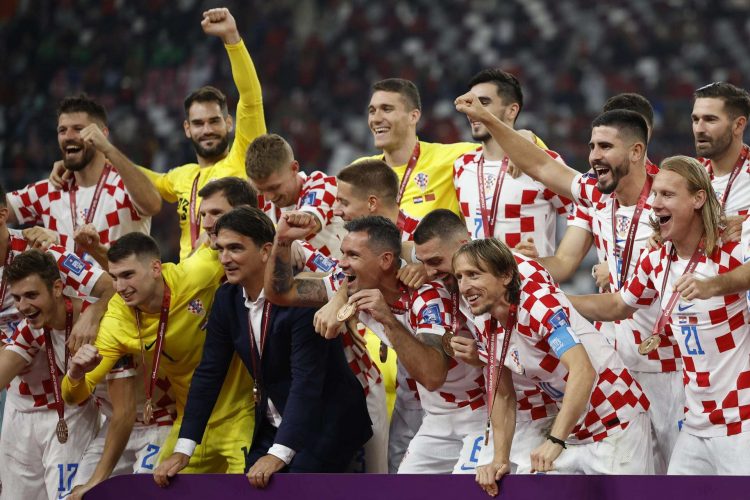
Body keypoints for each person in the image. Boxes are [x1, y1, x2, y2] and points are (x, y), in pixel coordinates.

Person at [456, 93, 683, 472]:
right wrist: (496, 124)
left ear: (636, 151)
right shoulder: (596, 196)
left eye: (605, 146)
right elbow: (544, 172)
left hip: (672, 362)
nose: (593, 155)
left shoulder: (667, 202)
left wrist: (542, 304)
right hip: (619, 358)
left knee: (679, 479)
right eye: (592, 146)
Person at [154, 207, 371, 487]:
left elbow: (307, 383)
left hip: (326, 421)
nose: (225, 259)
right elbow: (209, 373)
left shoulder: (302, 298)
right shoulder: (227, 298)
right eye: (220, 249)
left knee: (288, 488)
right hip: (277, 419)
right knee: (250, 487)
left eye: (235, 248)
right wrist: (184, 450)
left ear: (266, 251)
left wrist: (278, 455)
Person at [568, 156, 750, 475]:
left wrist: (715, 285)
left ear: (698, 198)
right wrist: (560, 300)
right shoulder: (655, 260)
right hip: (695, 425)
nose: (654, 203)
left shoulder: (730, 249)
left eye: (666, 195)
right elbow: (618, 306)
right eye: (655, 195)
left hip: (741, 422)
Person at [265, 215, 485, 474]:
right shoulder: (350, 282)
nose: (343, 262)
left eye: (353, 255)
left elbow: (433, 375)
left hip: (478, 411)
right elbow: (280, 293)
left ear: (385, 261)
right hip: (434, 415)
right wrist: (282, 241)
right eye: (343, 254)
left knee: (473, 489)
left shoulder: (428, 295)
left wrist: (387, 319)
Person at [452, 239, 651, 497]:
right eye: (459, 277)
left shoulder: (538, 305)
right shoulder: (484, 322)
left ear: (505, 276)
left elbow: (582, 369)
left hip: (616, 422)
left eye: (473, 275)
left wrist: (554, 440)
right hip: (573, 431)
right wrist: (500, 458)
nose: (464, 286)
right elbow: (502, 394)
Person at [60, 233, 225, 487]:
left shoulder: (195, 273)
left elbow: (241, 239)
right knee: (160, 485)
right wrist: (75, 374)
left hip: (240, 402)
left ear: (155, 268)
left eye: (128, 275)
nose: (119, 287)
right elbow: (75, 396)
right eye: (114, 277)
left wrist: (216, 230)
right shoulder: (117, 320)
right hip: (192, 415)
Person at [411, 209, 559, 475]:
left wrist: (557, 433)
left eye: (435, 261)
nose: (429, 272)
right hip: (505, 408)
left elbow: (538, 345)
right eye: (422, 262)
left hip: (543, 406)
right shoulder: (461, 283)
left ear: (462, 246)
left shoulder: (520, 273)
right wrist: (482, 357)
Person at [137, 8, 266, 260]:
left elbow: (251, 98)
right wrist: (102, 155)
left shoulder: (243, 158)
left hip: (230, 277)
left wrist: (232, 38)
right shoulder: (182, 177)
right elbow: (149, 180)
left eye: (214, 121)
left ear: (229, 123)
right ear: (187, 129)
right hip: (191, 287)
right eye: (198, 123)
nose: (207, 130)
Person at [7, 94, 161, 267]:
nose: (68, 136)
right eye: (62, 130)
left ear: (102, 134)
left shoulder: (124, 185)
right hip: (66, 293)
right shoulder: (51, 188)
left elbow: (153, 205)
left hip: (121, 292)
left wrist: (108, 148)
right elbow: (4, 209)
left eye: (78, 129)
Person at [0, 250, 101, 499]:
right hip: (31, 415)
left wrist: (96, 313)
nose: (23, 307)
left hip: (96, 416)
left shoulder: (97, 320)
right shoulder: (31, 327)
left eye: (32, 295)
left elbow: (111, 287)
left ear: (57, 288)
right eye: (17, 298)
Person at [453, 68, 572, 255]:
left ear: (511, 110)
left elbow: (583, 210)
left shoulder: (541, 164)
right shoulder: (461, 166)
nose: (472, 111)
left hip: (528, 281)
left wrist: (558, 262)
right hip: (476, 282)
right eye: (470, 102)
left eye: (483, 103)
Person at [356, 78, 476, 221]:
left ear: (413, 116)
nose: (375, 119)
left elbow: (502, 153)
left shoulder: (452, 158)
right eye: (372, 111)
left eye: (386, 109)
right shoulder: (360, 172)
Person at [245, 133, 345, 258]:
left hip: (337, 274)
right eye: (261, 190)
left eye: (274, 187)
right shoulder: (258, 199)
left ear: (294, 168)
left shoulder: (321, 183)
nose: (269, 197)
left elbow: (310, 223)